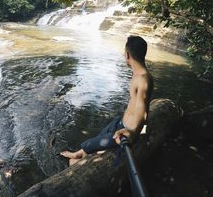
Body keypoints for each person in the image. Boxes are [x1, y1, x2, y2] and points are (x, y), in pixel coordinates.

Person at [60, 35, 154, 166]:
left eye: (124, 53)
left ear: (127, 55)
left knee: (76, 159)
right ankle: (80, 153)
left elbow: (142, 113)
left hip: (127, 131)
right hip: (121, 123)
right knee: (99, 136)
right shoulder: (139, 74)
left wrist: (131, 134)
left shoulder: (143, 80)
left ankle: (80, 159)